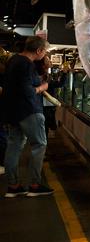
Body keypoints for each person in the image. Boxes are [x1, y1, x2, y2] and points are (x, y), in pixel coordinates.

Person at [3, 36, 54, 197]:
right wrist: (42, 87)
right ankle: (34, 185)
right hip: (29, 111)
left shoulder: (13, 61)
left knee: (13, 147)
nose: (44, 54)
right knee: (39, 145)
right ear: (39, 50)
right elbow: (27, 91)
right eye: (44, 51)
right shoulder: (26, 64)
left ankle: (13, 186)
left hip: (13, 112)